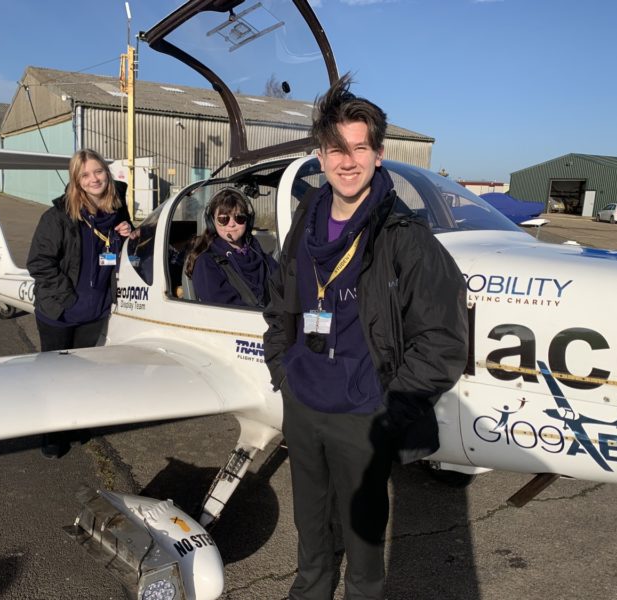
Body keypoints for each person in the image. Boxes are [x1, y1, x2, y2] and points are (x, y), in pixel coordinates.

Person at [263, 75, 468, 599]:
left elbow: (443, 342)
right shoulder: (306, 216)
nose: (347, 160)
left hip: (363, 414)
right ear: (320, 154)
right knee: (310, 533)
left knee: (364, 545)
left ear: (379, 155)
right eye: (337, 148)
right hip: (303, 403)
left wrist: (388, 413)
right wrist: (282, 367)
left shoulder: (407, 238)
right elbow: (282, 297)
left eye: (360, 148)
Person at [27, 148, 134, 352]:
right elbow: (39, 263)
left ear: (107, 173)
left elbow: (130, 245)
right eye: (84, 175)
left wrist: (129, 231)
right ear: (76, 180)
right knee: (54, 375)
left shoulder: (117, 210)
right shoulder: (57, 217)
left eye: (99, 171)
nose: (93, 179)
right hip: (60, 313)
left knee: (82, 374)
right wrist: (68, 299)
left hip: (95, 314)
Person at [185, 187, 277, 307]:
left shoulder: (259, 255)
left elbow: (285, 285)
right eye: (223, 219)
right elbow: (226, 311)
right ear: (212, 222)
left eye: (239, 218)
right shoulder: (206, 263)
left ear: (248, 221)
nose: (232, 224)